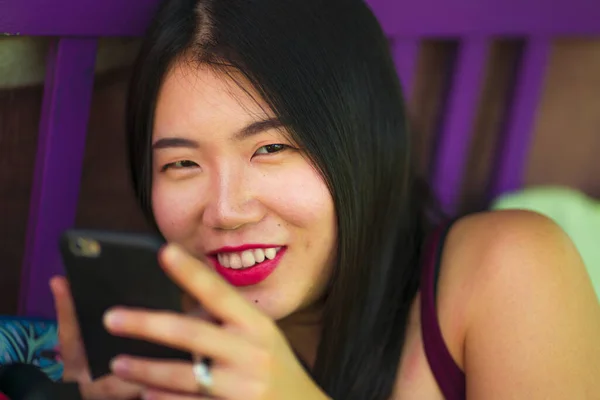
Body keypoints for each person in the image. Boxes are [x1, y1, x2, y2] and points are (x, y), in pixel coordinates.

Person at [50, 0, 600, 399]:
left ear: (360, 144)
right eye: (182, 164)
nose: (225, 210)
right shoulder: (177, 359)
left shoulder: (509, 266)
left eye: (270, 147)